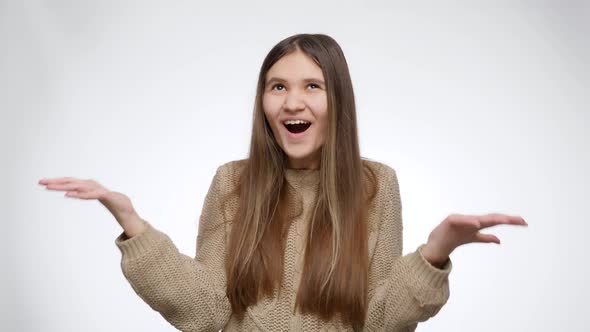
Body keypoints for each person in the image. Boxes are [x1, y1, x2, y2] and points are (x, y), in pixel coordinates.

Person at [38, 33, 528, 331]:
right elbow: (205, 311)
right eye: (278, 87)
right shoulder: (232, 182)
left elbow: (380, 322)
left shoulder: (377, 185)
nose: (292, 103)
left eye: (311, 86)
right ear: (264, 103)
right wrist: (133, 223)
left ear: (337, 100)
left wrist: (434, 253)